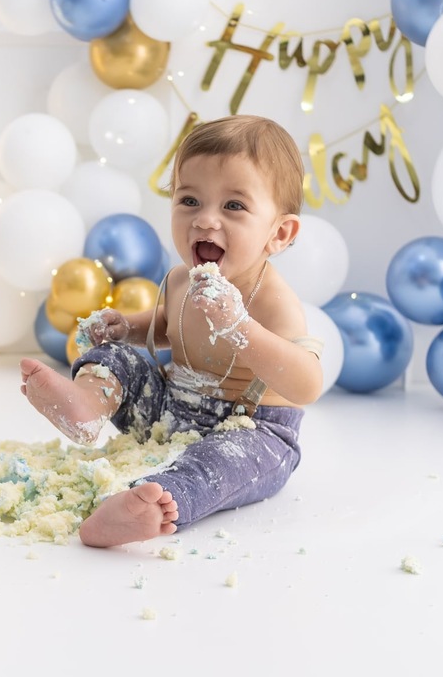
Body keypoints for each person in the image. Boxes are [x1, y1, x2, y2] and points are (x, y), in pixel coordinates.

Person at [19, 114, 324, 548]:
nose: (204, 221)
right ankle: (85, 404)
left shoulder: (273, 300)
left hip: (251, 431)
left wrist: (241, 328)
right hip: (171, 409)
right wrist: (128, 327)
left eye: (233, 206)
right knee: (118, 360)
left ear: (279, 233)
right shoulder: (182, 278)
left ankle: (153, 504)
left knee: (218, 465)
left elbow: (307, 383)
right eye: (189, 201)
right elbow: (166, 324)